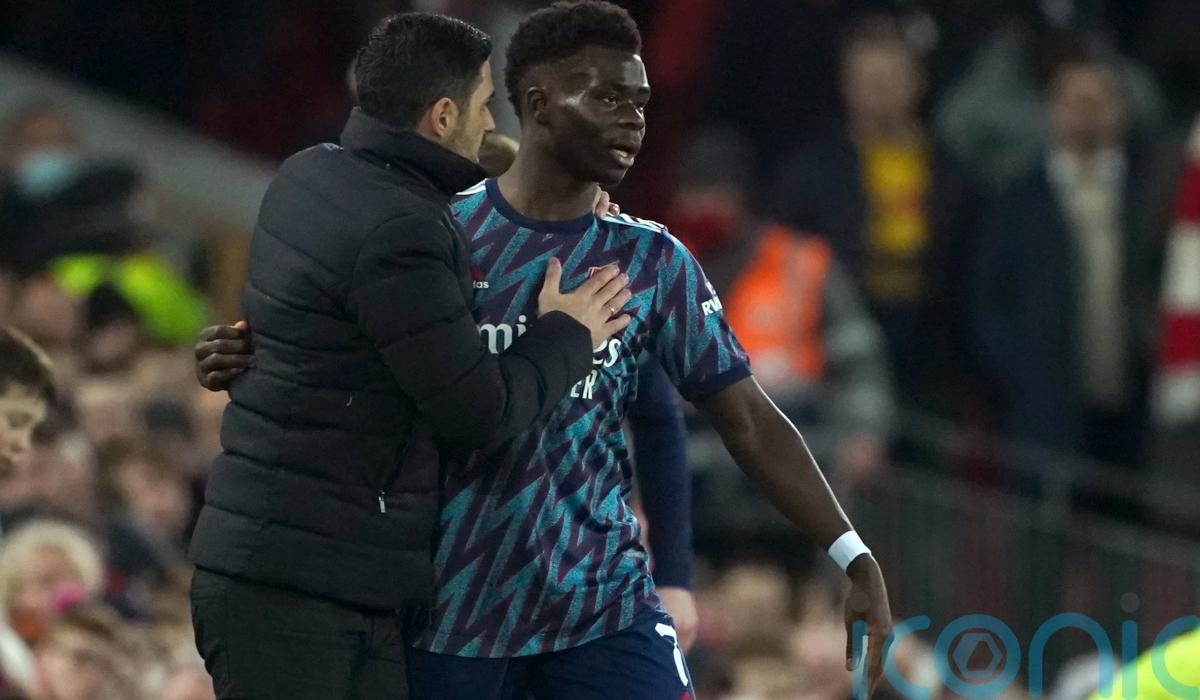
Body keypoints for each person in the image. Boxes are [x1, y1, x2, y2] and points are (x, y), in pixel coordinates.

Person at [199, 3, 894, 699]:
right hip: (452, 611)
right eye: (608, 98)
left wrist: (852, 552)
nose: (633, 120)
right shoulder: (441, 234)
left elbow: (745, 419)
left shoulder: (650, 260)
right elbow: (342, 355)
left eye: (640, 102)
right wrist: (244, 348)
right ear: (536, 104)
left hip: (603, 610)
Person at [186, 12, 634, 700]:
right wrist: (569, 333)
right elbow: (479, 411)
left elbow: (312, 337)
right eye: (484, 105)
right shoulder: (403, 230)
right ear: (444, 115)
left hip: (297, 570)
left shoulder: (310, 173)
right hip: (301, 593)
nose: (492, 122)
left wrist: (543, 173)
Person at [971, 50, 1171, 471]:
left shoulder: (1153, 194)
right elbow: (988, 302)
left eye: (1097, 102)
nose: (1085, 116)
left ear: (1120, 111)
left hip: (1139, 412)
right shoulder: (1015, 200)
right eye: (1073, 102)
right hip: (1045, 409)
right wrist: (1021, 377)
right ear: (1051, 110)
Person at [770, 16, 979, 418]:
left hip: (931, 350)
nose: (879, 93)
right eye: (868, 81)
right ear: (846, 85)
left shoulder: (953, 173)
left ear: (918, 83)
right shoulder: (812, 171)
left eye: (891, 80)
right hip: (838, 344)